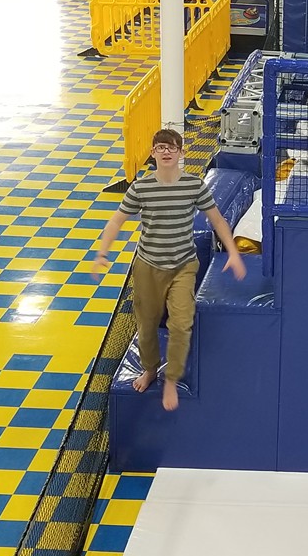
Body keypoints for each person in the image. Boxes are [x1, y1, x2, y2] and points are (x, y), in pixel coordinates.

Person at [93, 129, 246, 411]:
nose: (166, 152)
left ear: (181, 153)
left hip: (183, 266)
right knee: (147, 325)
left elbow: (217, 220)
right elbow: (116, 221)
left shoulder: (193, 185)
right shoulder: (141, 188)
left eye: (172, 147)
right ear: (153, 153)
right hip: (148, 267)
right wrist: (102, 252)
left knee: (181, 323)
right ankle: (150, 368)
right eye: (161, 147)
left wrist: (233, 253)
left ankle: (172, 379)